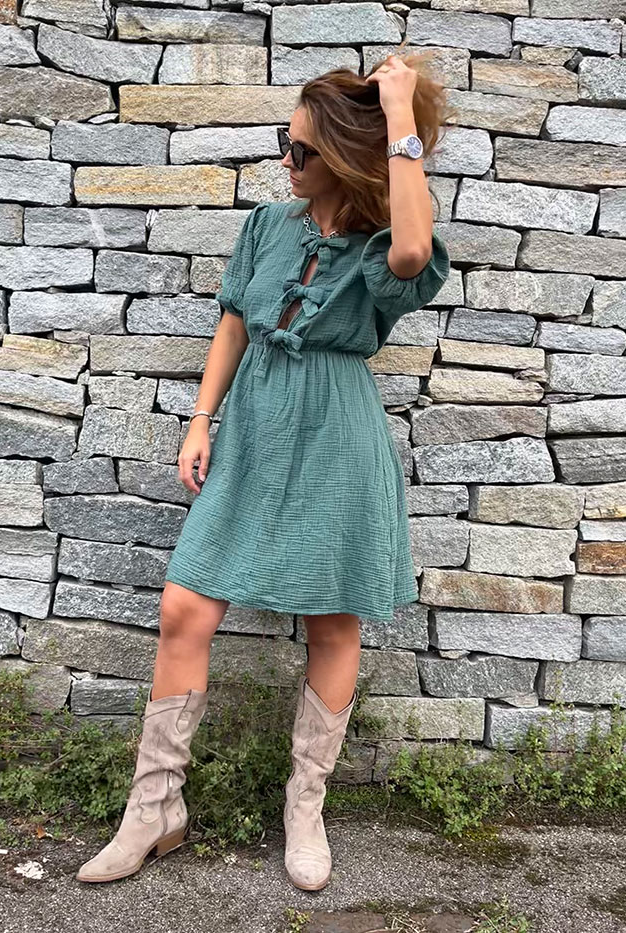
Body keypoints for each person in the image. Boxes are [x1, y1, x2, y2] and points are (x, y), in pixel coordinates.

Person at [76, 48, 451, 890]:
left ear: (345, 156)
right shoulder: (266, 226)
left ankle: (305, 807)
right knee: (184, 606)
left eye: (302, 149)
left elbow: (410, 252)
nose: (286, 159)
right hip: (252, 426)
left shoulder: (384, 240)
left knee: (332, 622)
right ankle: (154, 809)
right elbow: (235, 324)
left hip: (336, 435)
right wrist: (199, 419)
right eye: (286, 143)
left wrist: (399, 113)